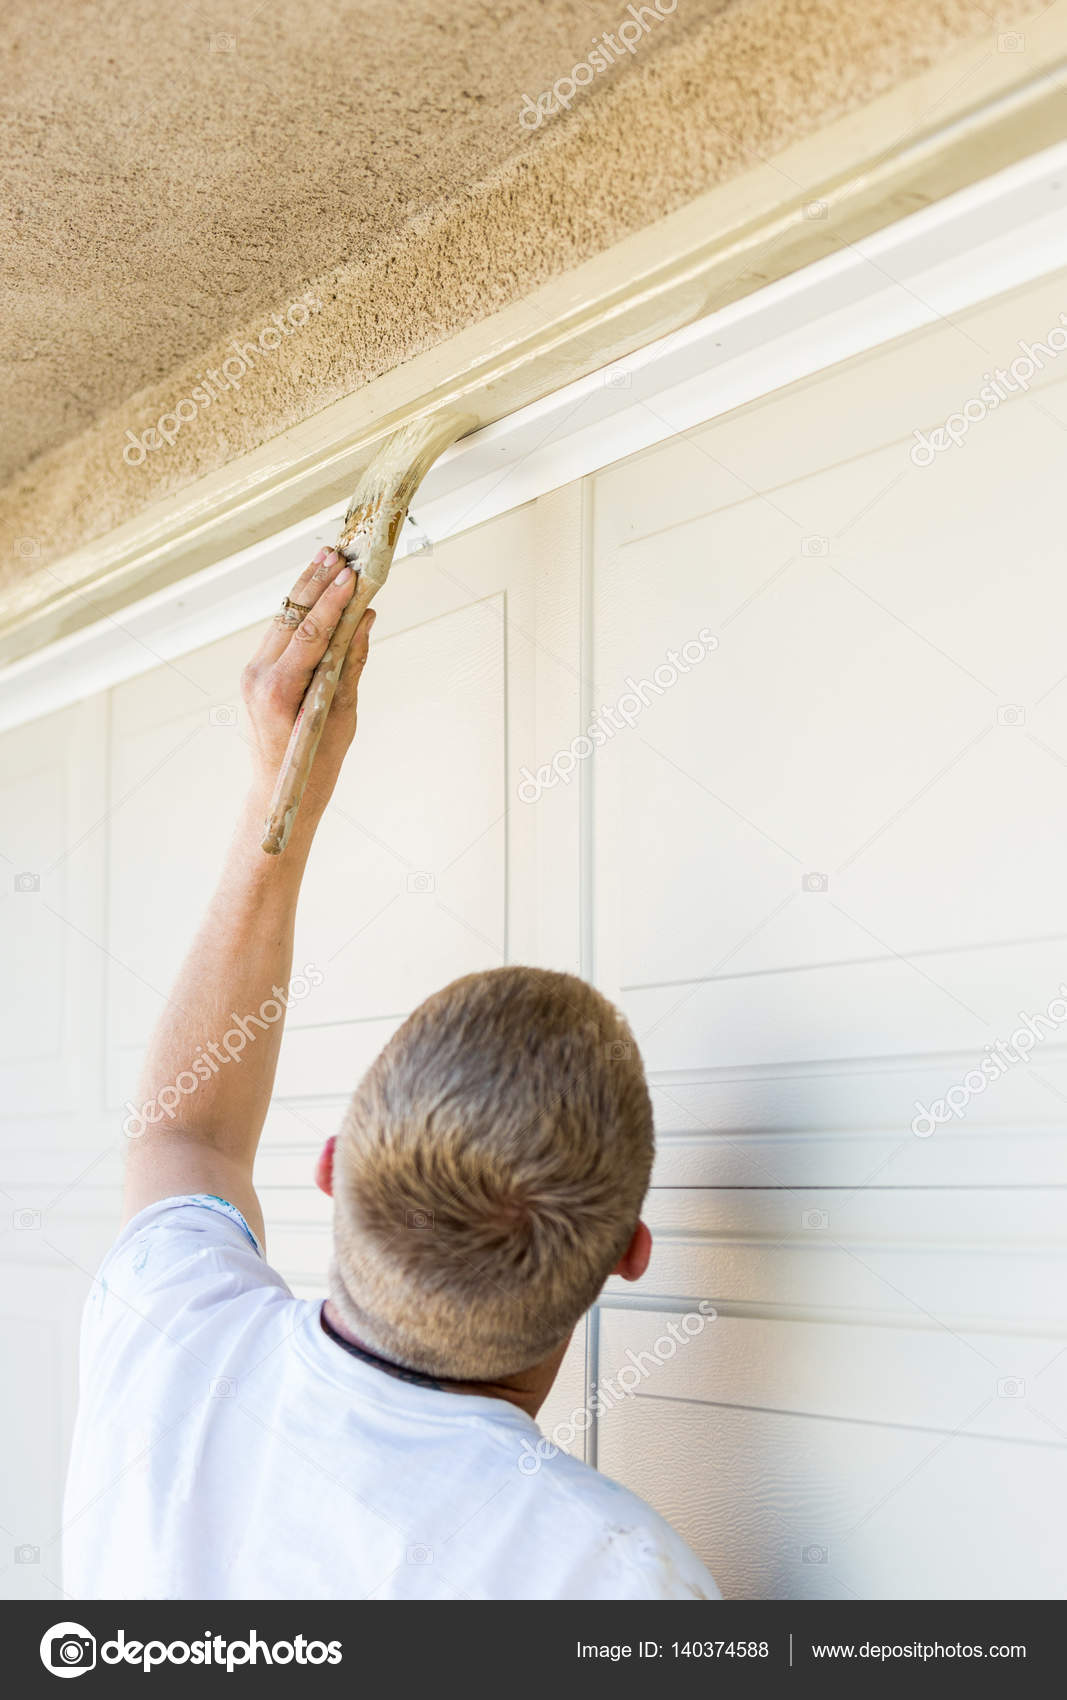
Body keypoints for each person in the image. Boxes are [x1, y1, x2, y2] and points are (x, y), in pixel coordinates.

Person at [63, 547, 720, 1601]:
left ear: (330, 1164)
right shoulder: (614, 1575)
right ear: (625, 1257)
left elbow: (183, 1134)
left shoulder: (172, 1334)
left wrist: (283, 793)